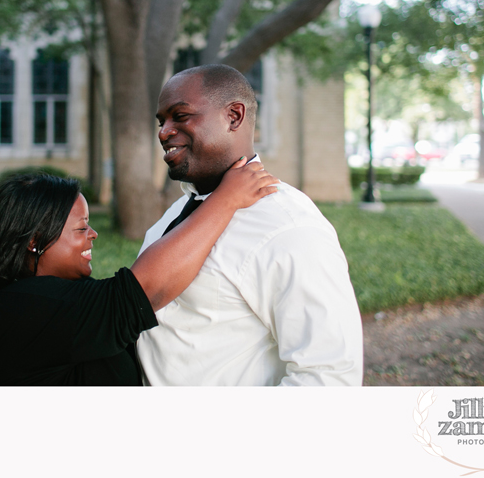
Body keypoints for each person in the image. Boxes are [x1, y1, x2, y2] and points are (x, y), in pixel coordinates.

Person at [0, 159, 278, 386]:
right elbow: (143, 292)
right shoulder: (22, 308)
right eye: (81, 229)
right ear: (35, 241)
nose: (93, 234)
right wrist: (226, 199)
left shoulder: (29, 297)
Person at [137, 64, 364, 386]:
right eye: (162, 121)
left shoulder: (288, 227)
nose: (163, 132)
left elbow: (329, 376)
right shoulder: (177, 211)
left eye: (181, 116)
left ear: (234, 116)